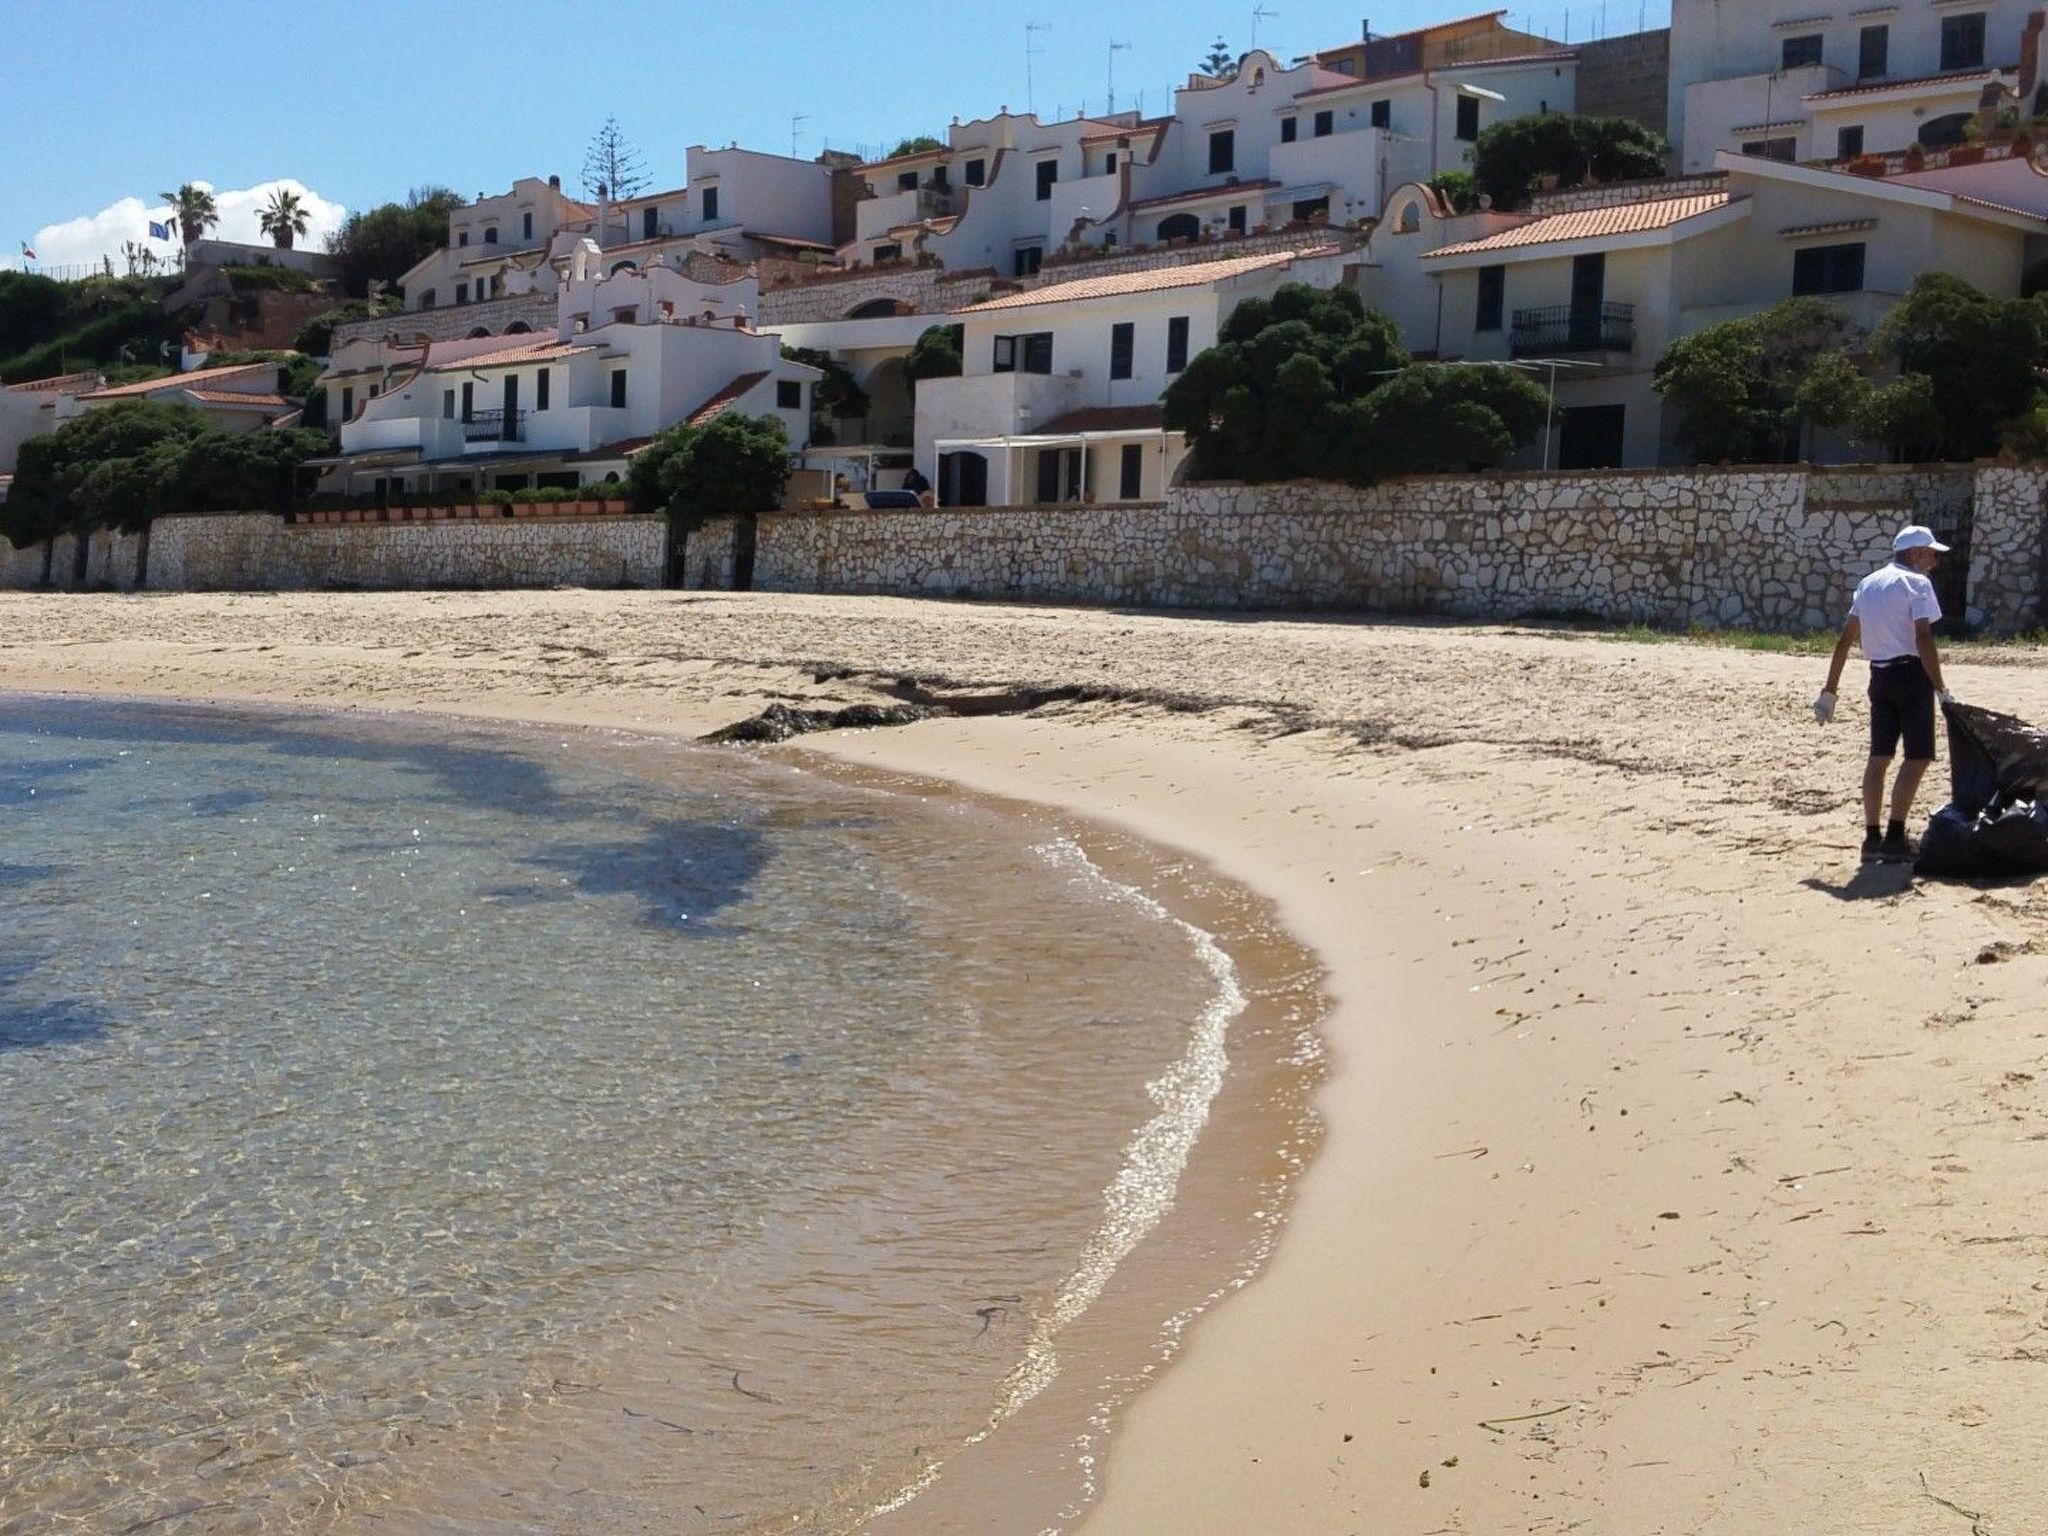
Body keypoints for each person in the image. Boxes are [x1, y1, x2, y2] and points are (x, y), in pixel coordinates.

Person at [1814, 525, 1956, 862]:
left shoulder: (1869, 584)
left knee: (1879, 757)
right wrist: (1941, 689)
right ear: (1916, 553)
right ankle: (1895, 836)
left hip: (1878, 677)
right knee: (1918, 756)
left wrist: (1829, 691)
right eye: (1931, 554)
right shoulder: (1917, 583)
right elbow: (1923, 638)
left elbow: (1845, 640)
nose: (1934, 561)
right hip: (1910, 676)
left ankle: (1871, 837)